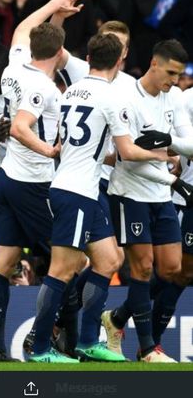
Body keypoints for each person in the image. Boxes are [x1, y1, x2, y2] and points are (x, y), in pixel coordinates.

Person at [28, 34, 168, 363]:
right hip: (75, 192)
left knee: (109, 260)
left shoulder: (72, 91)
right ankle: (39, 349)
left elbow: (84, 147)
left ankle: (89, 340)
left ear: (88, 57)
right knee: (62, 270)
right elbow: (127, 151)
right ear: (120, 60)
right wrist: (164, 157)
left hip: (81, 188)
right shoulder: (113, 96)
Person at [0, 0, 84, 362]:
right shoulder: (44, 87)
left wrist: (54, 5)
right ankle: (54, 342)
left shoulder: (13, 67)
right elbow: (20, 128)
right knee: (70, 262)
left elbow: (22, 29)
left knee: (2, 265)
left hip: (4, 179)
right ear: (59, 53)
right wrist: (50, 148)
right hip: (33, 183)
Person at [103, 39, 193, 362]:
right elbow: (129, 159)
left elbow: (189, 144)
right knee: (142, 269)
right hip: (132, 192)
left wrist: (169, 142)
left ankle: (115, 319)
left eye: (180, 75)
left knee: (171, 269)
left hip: (161, 194)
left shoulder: (173, 99)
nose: (174, 81)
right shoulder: (127, 98)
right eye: (171, 73)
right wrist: (172, 176)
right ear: (154, 63)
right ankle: (146, 349)